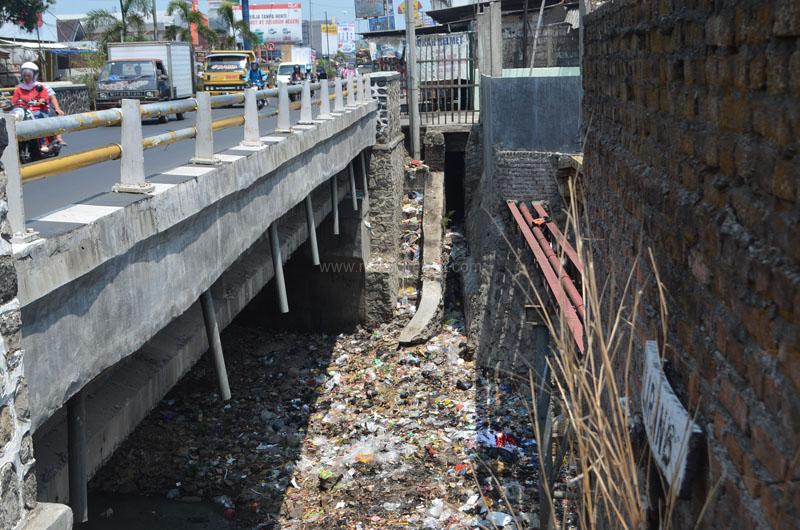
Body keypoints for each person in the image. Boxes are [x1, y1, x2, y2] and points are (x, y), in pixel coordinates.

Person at [11, 62, 52, 152]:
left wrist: (41, 101)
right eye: (24, 75)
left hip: (39, 110)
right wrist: (10, 104)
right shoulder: (19, 88)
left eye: (29, 75)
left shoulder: (39, 87)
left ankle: (43, 142)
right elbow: (14, 101)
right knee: (12, 120)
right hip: (24, 111)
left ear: (34, 75)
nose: (26, 78)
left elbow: (45, 98)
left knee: (38, 119)